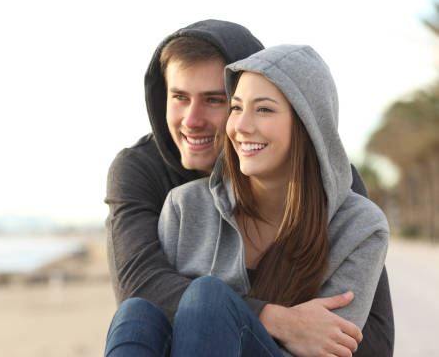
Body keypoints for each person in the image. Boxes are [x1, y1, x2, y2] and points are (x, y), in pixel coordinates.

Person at [104, 21, 394, 355]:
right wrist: (277, 320)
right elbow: (139, 287)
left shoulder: (342, 198)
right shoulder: (171, 195)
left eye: (215, 100)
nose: (193, 119)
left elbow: (372, 338)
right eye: (180, 97)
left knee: (206, 299)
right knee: (136, 314)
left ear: (305, 121)